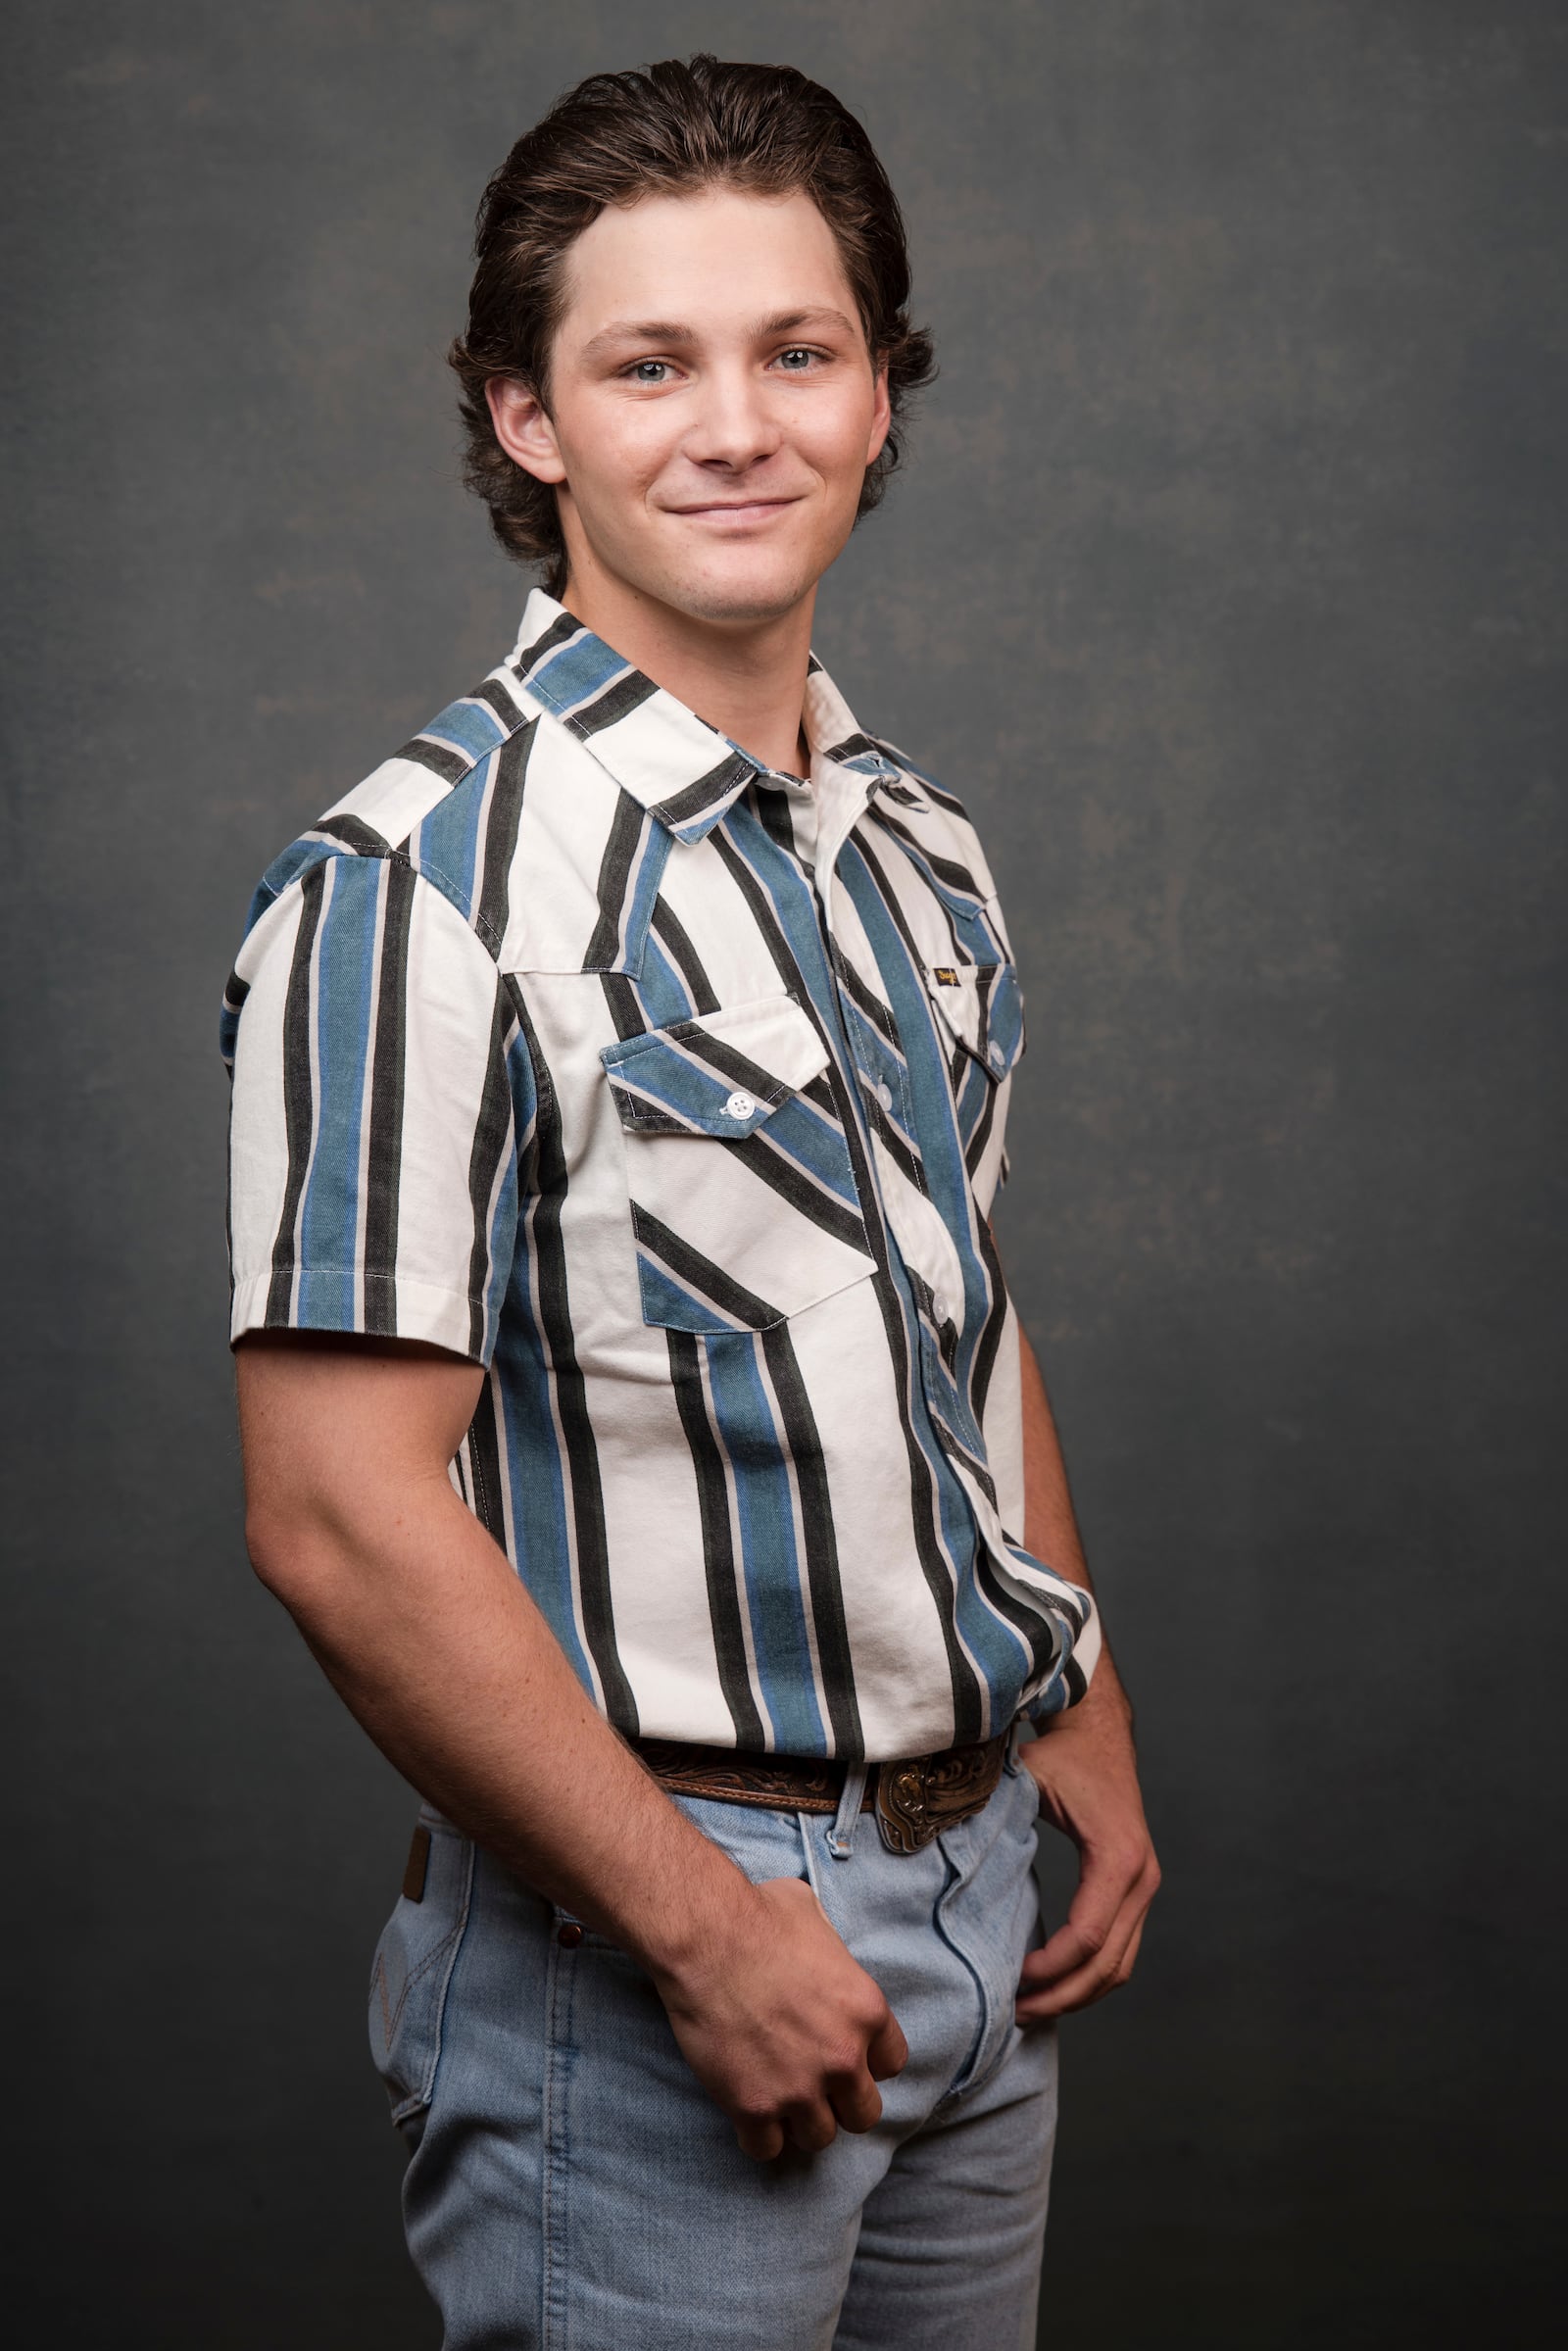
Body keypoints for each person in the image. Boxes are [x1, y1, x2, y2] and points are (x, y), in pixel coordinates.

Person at [223, 53, 1158, 2351]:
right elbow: (340, 1512)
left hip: (968, 1901)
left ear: (871, 395)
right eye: (649, 362)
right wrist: (703, 1935)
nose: (732, 424)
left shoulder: (912, 850)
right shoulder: (412, 888)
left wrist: (1075, 1696)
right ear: (529, 421)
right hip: (639, 1956)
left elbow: (945, 1295)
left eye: (796, 351)